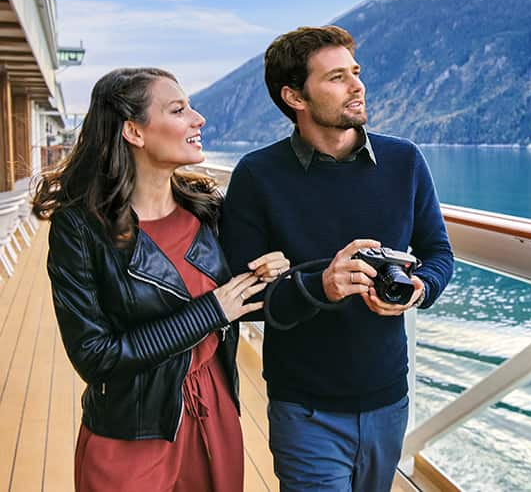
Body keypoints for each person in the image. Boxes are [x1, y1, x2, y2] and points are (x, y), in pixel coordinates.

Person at [32, 67, 290, 492]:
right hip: (132, 431)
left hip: (215, 411)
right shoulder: (79, 228)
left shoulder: (208, 208)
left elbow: (245, 300)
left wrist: (275, 274)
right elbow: (94, 356)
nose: (198, 119)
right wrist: (211, 311)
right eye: (178, 109)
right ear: (133, 132)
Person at [220, 25, 454, 492]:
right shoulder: (256, 175)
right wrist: (320, 285)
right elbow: (246, 296)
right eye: (336, 77)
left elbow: (437, 253)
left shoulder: (405, 161)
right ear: (295, 97)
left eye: (356, 72)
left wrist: (421, 288)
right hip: (305, 408)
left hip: (389, 400)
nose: (357, 85)